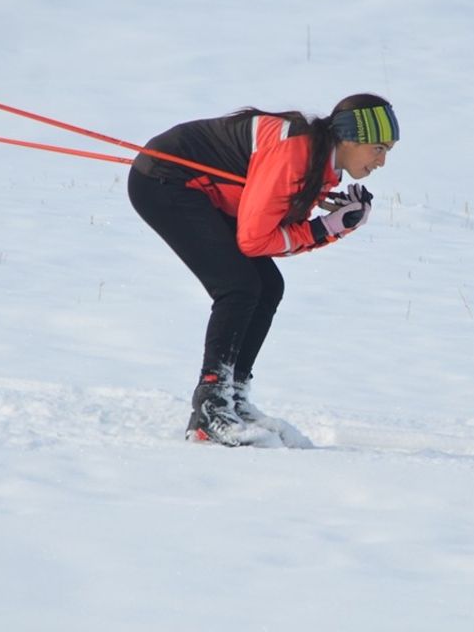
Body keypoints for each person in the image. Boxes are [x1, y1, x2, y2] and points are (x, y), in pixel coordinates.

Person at [128, 94, 399, 446]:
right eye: (378, 148)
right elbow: (256, 240)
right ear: (348, 137)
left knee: (268, 285)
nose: (382, 161)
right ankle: (212, 406)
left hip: (196, 189)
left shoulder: (318, 162)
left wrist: (334, 225)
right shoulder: (297, 154)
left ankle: (234, 397)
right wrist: (326, 227)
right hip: (164, 181)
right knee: (238, 286)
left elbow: (274, 235)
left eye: (388, 151)